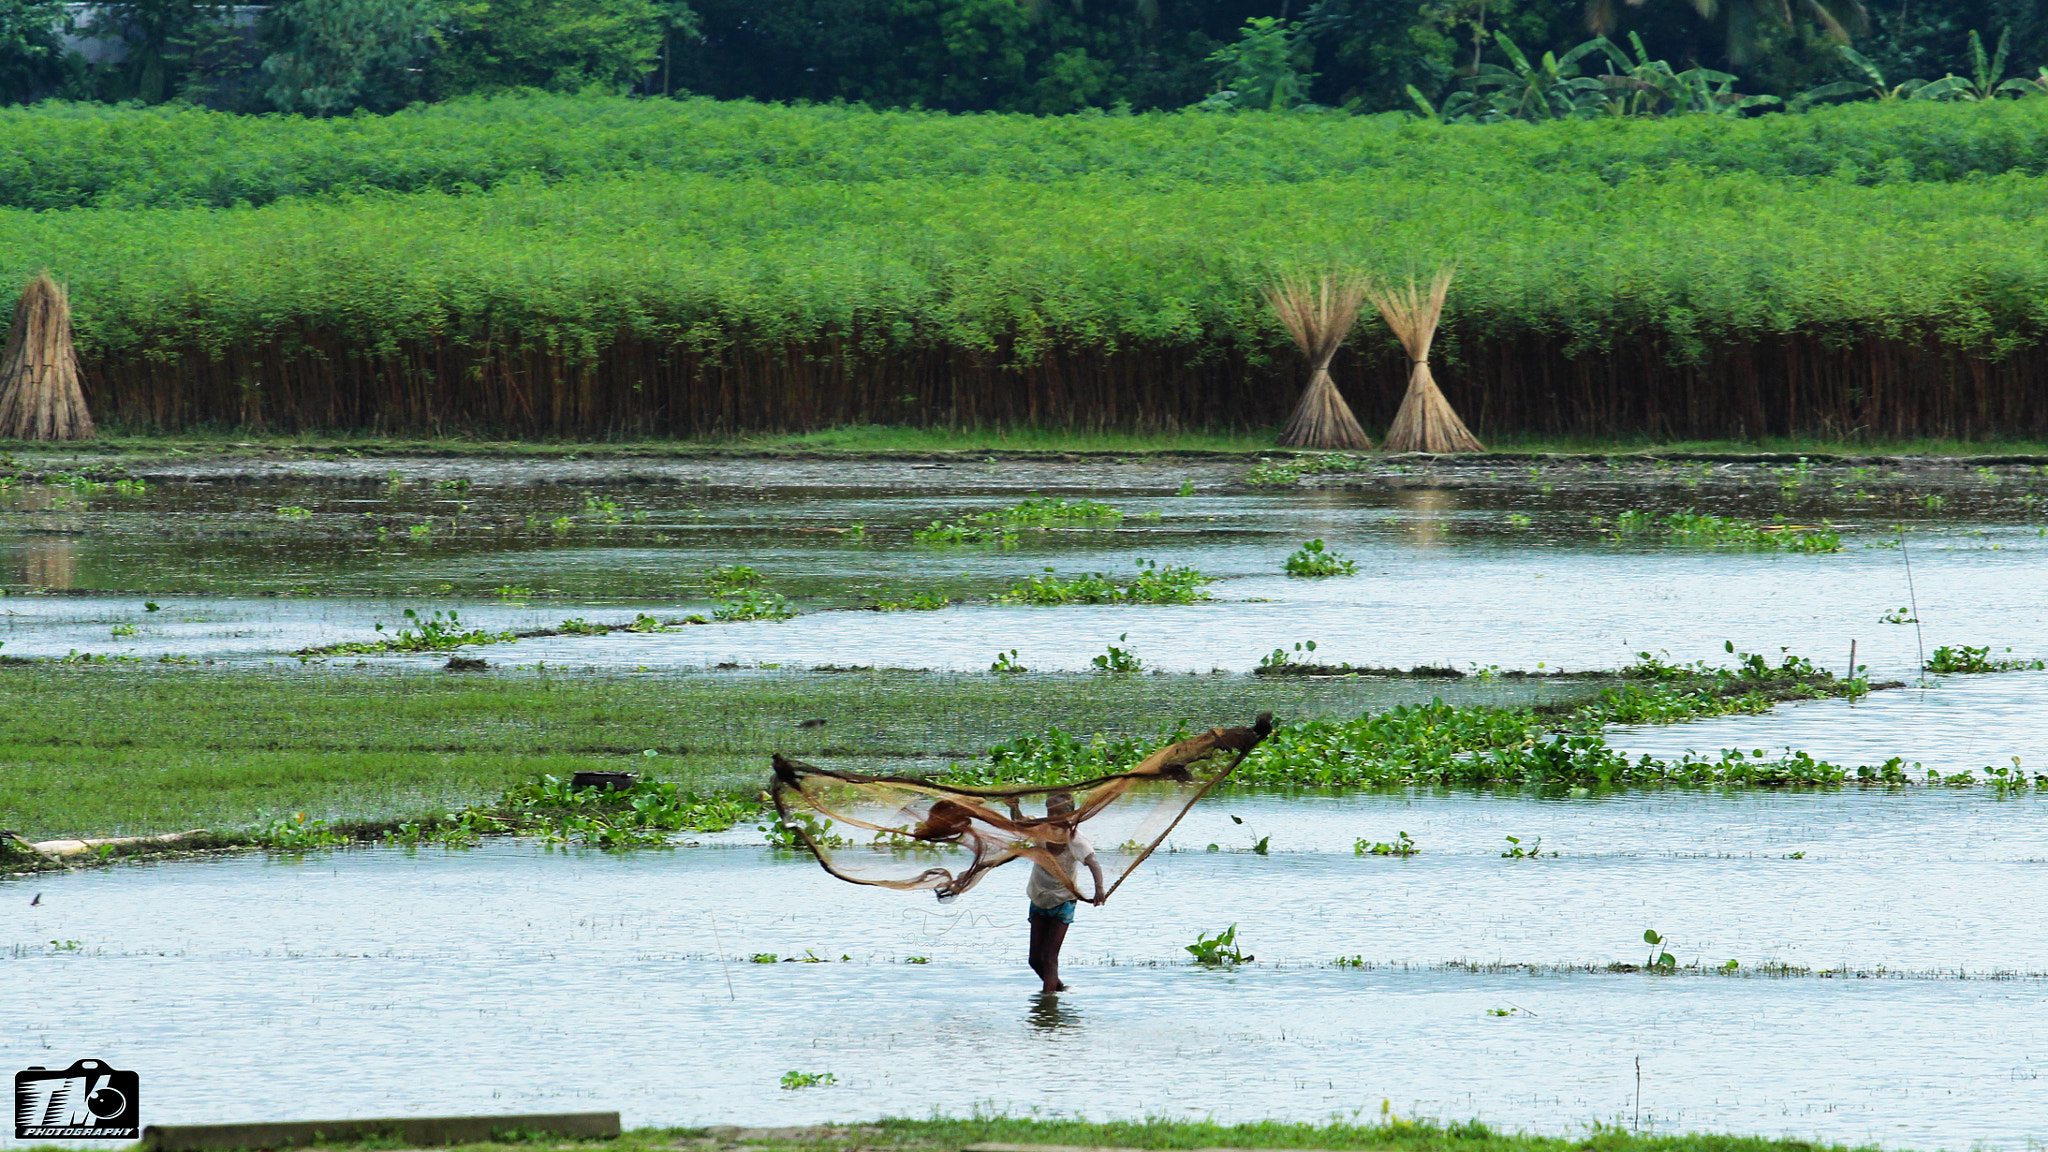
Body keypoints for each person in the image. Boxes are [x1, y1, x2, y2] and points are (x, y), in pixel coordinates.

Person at [1024, 791, 1105, 993]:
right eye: (1050, 812)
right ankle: (1058, 990)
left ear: (1069, 815)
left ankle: (1048, 1008)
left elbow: (1093, 862)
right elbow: (1018, 824)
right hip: (1039, 897)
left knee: (1050, 957)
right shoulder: (1041, 831)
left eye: (1058, 813)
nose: (1054, 817)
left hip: (1064, 901)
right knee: (1035, 959)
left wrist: (1099, 889)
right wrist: (1013, 807)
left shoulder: (1075, 840)